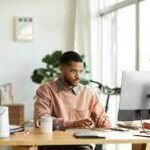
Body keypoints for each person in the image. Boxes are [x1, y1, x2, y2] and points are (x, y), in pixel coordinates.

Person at [34, 51, 111, 150]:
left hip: (82, 145)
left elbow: (106, 123)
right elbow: (41, 120)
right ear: (62, 69)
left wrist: (103, 122)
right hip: (54, 145)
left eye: (80, 71)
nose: (78, 76)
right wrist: (72, 124)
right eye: (74, 71)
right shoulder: (46, 90)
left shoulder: (89, 94)